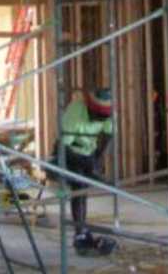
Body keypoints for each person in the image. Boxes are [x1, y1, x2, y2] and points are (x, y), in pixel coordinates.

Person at [57, 87, 117, 256]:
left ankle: (81, 231)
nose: (97, 121)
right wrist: (87, 164)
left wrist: (98, 158)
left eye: (101, 119)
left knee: (85, 184)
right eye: (95, 118)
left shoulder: (106, 114)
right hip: (69, 150)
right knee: (79, 186)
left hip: (88, 150)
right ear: (90, 109)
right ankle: (80, 232)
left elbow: (108, 135)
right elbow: (64, 147)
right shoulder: (75, 112)